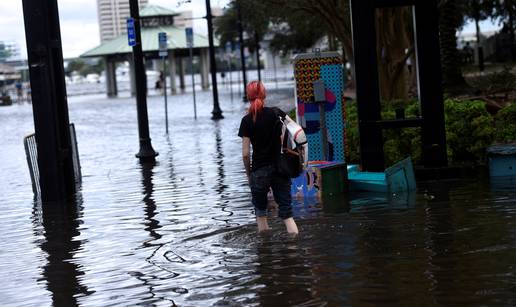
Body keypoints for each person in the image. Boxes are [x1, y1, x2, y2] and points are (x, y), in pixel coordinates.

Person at [238, 81, 299, 235]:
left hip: (259, 171)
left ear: (248, 96)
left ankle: (266, 252)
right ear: (264, 95)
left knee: (261, 213)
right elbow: (297, 130)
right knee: (287, 214)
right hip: (280, 168)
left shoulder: (246, 121)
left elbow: (245, 154)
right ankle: (294, 249)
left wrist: (249, 174)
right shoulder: (276, 113)